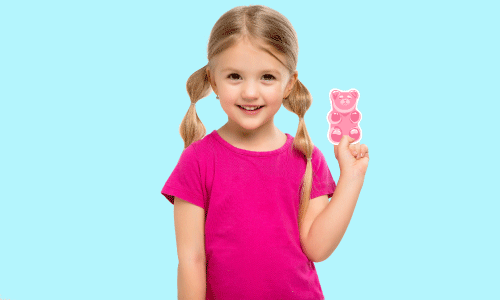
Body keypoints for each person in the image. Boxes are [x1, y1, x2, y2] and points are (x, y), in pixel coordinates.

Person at [161, 5, 369, 300]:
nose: (249, 92)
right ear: (213, 79)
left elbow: (318, 248)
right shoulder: (197, 160)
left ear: (289, 84)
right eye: (235, 76)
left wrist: (352, 177)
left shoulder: (307, 158)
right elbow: (190, 260)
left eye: (267, 77)